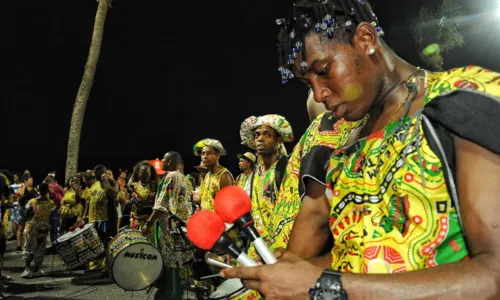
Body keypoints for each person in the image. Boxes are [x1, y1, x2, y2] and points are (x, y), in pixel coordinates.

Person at [222, 0, 500, 299]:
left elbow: (493, 275)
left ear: (366, 40)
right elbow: (363, 257)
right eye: (308, 82)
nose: (318, 94)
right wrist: (286, 272)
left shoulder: (461, 95)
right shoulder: (343, 148)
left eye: (324, 70)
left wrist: (323, 286)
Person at [239, 114, 294, 259]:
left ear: (279, 139)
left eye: (267, 134)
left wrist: (272, 254)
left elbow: (289, 216)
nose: (260, 139)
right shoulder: (256, 172)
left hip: (279, 251)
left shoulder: (285, 168)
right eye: (257, 135)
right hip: (257, 247)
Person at [143, 151, 194, 300]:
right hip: (181, 226)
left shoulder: (170, 176)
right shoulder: (184, 179)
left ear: (170, 162)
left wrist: (148, 223)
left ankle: (171, 293)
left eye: (164, 160)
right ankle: (174, 291)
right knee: (179, 260)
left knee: (170, 260)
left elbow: (161, 204)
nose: (162, 163)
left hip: (169, 227)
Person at [21, 183, 56, 278]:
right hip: (44, 228)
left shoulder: (32, 202)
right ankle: (36, 269)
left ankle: (27, 269)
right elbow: (52, 216)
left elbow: (26, 214)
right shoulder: (51, 203)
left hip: (32, 228)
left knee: (29, 248)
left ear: (38, 190)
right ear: (47, 191)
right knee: (40, 249)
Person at [193, 138, 234, 211]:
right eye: (203, 154)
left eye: (209, 153)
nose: (204, 157)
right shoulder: (208, 175)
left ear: (217, 156)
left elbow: (228, 205)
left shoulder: (224, 175)